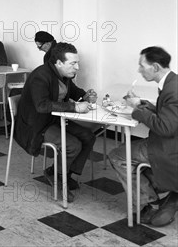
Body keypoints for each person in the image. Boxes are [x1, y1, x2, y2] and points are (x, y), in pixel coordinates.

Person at [14, 42, 96, 202]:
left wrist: (85, 96)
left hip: (54, 120)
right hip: (36, 125)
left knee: (88, 137)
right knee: (73, 145)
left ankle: (60, 173)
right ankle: (59, 178)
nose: (77, 67)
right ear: (58, 63)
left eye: (77, 63)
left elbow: (73, 91)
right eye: (73, 63)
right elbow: (41, 105)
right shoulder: (41, 76)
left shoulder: (63, 75)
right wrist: (75, 107)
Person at [108, 46, 178, 227]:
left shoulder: (172, 90)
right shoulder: (172, 83)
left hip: (168, 147)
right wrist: (141, 103)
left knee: (117, 156)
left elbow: (165, 128)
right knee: (129, 156)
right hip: (170, 141)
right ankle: (162, 196)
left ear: (154, 67)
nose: (139, 70)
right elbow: (169, 116)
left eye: (142, 66)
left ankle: (148, 204)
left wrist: (136, 110)